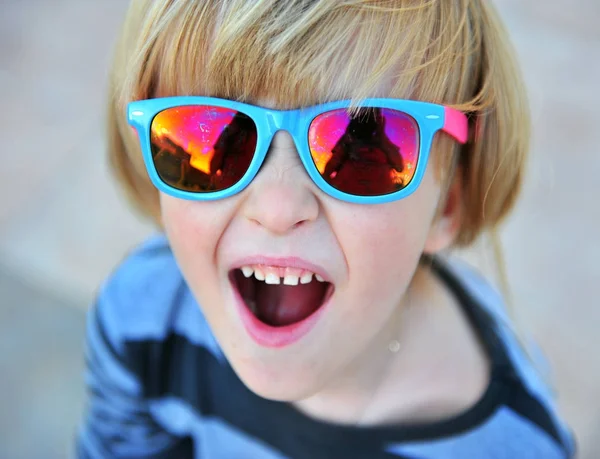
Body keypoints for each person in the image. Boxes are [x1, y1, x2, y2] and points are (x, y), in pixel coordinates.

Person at [76, 1, 576, 458]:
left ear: (449, 200)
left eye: (362, 143)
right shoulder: (141, 318)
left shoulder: (513, 445)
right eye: (212, 134)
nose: (277, 207)